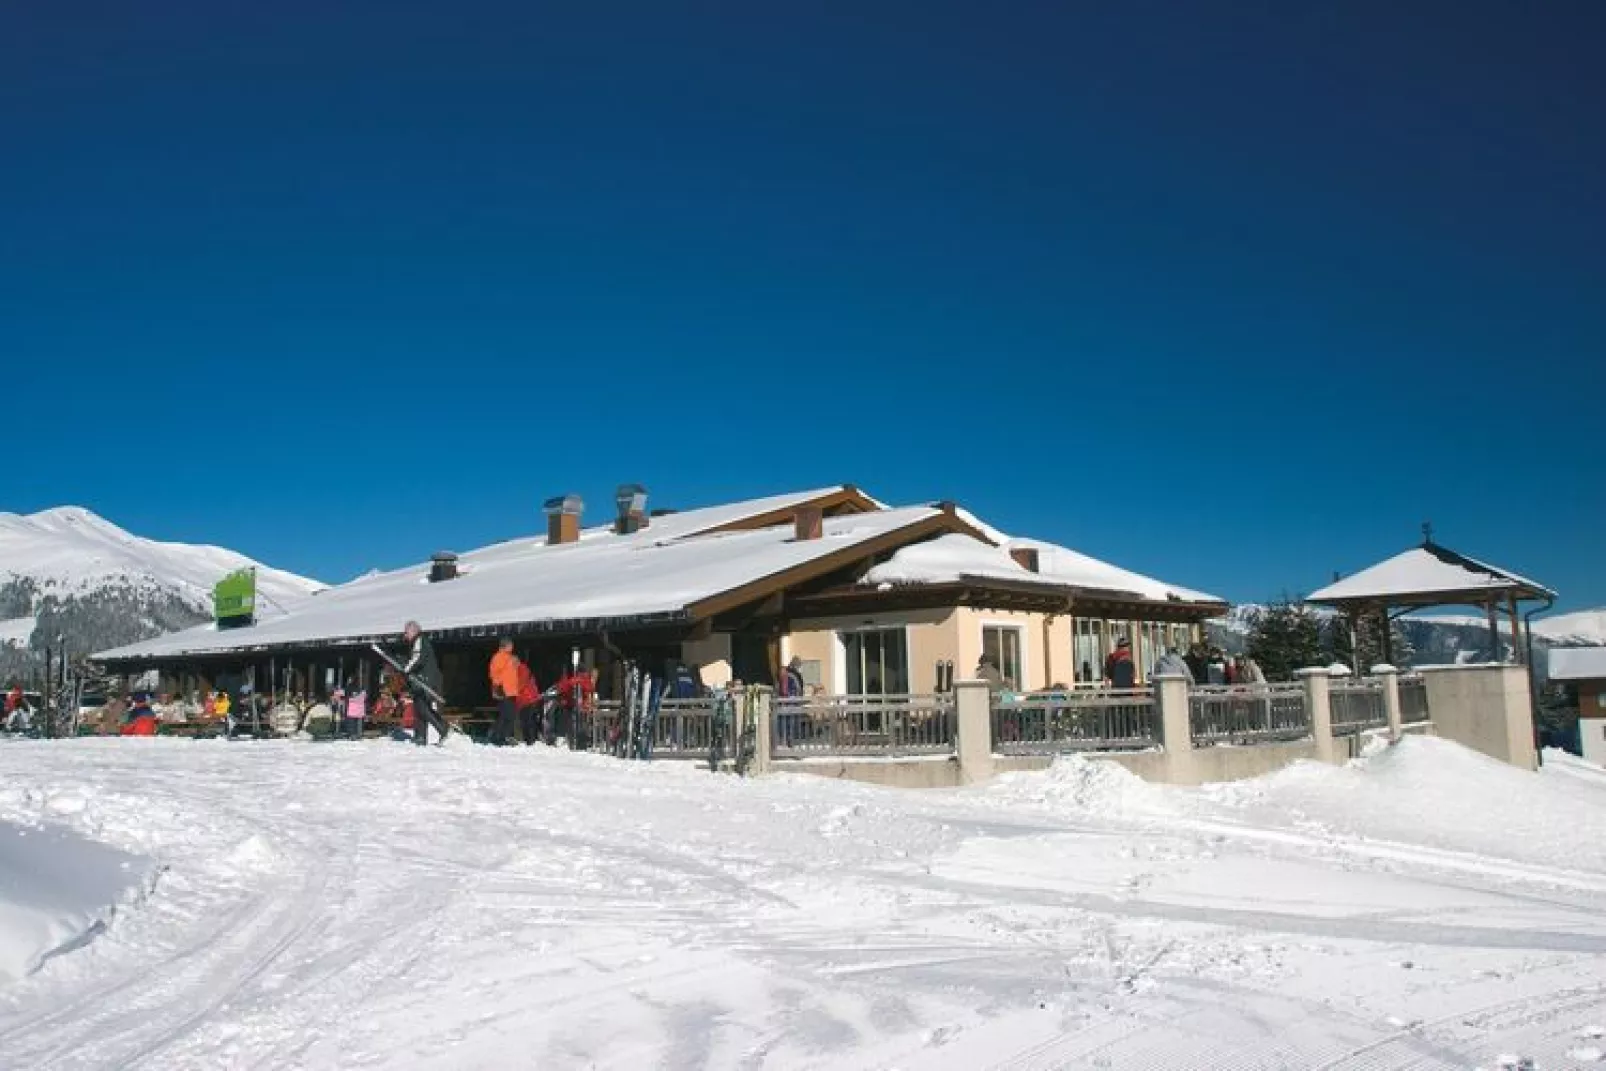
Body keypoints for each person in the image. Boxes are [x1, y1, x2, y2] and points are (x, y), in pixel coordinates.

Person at [402, 620, 450, 746]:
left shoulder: (420, 640)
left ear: (413, 631)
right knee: (419, 707)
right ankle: (421, 736)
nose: (405, 636)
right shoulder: (417, 642)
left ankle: (442, 728)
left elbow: (418, 658)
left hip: (426, 679)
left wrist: (406, 668)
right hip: (422, 679)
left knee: (422, 707)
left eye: (406, 632)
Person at [488, 637, 520, 745]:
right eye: (511, 645)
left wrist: (516, 663)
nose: (512, 647)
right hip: (504, 690)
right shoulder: (499, 657)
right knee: (506, 715)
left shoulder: (510, 657)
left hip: (512, 691)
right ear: (505, 645)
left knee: (509, 715)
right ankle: (498, 736)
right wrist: (497, 687)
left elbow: (513, 671)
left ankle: (503, 736)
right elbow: (494, 673)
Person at [514, 656, 541, 745]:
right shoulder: (520, 670)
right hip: (525, 700)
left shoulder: (522, 669)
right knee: (526, 720)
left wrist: (511, 690)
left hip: (528, 699)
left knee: (528, 721)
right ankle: (528, 740)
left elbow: (521, 684)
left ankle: (530, 741)